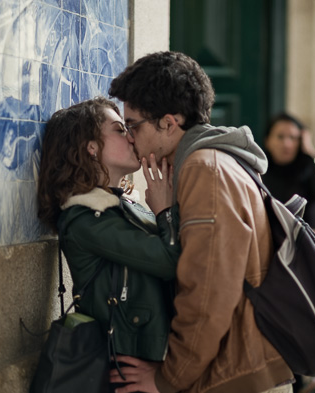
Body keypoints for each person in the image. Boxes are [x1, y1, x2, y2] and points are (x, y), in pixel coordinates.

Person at [107, 51, 294, 393]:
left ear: (168, 122)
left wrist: (167, 378)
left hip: (236, 379)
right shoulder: (215, 162)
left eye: (133, 125)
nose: (129, 136)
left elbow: (208, 292)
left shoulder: (204, 170)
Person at [36, 97, 181, 391]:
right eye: (119, 129)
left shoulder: (128, 207)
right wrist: (165, 211)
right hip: (126, 368)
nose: (131, 136)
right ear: (91, 147)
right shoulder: (84, 219)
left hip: (156, 362)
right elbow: (170, 260)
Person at [262, 113, 315, 231]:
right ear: (268, 141)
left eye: (293, 138)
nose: (286, 144)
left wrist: (310, 152)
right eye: (280, 137)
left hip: (304, 240)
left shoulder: (307, 166)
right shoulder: (260, 169)